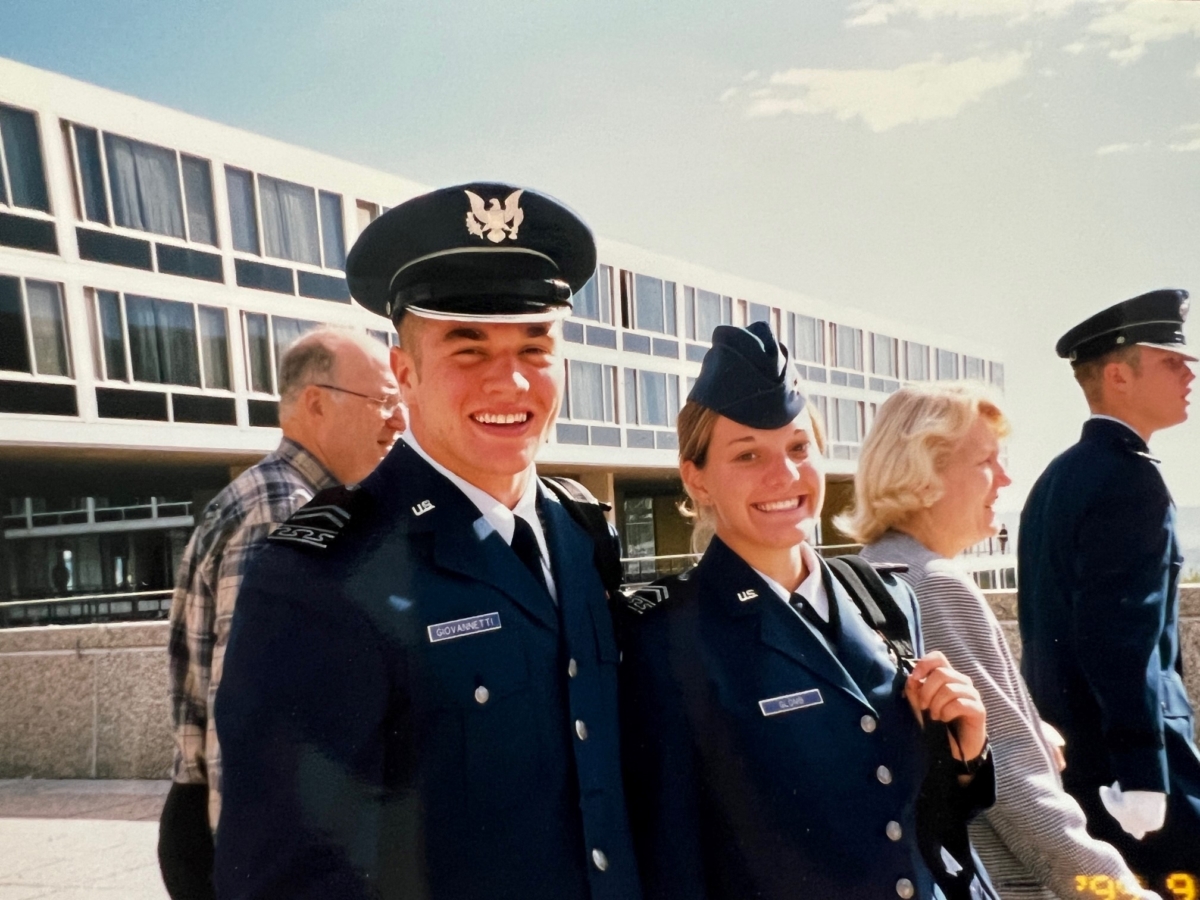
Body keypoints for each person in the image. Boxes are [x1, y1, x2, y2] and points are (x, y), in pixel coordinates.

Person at [213, 183, 641, 900]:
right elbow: (288, 876)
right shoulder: (320, 573)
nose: (510, 380)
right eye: (467, 348)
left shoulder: (580, 534)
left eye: (535, 346)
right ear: (404, 373)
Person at [618, 322, 994, 900]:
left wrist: (965, 757)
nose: (785, 476)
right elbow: (673, 862)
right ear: (697, 479)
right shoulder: (666, 636)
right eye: (748, 455)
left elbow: (917, 824)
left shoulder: (884, 600)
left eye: (799, 448)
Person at [846, 383, 1157, 900]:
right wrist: (1119, 893)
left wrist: (1033, 730)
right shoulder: (935, 584)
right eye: (986, 461)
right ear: (925, 477)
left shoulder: (870, 571)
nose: (1006, 478)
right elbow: (1016, 788)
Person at [159, 327, 404, 900]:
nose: (399, 422)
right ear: (317, 402)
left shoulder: (265, 493)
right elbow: (246, 722)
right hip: (244, 844)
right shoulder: (285, 512)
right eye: (386, 402)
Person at [1019, 289, 1200, 892]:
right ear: (1119, 375)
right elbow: (1120, 641)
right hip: (1134, 780)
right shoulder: (1131, 482)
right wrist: (1145, 773)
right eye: (1171, 360)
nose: (1189, 371)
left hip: (1077, 767)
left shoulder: (1058, 475)